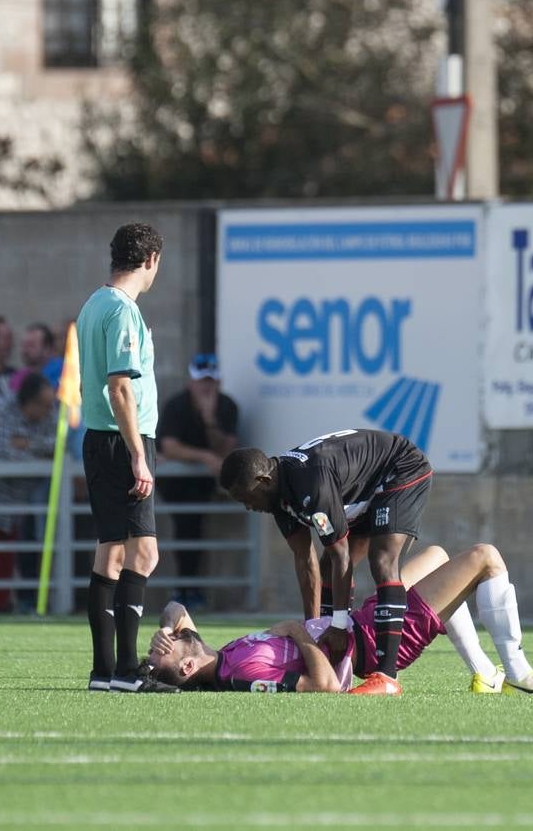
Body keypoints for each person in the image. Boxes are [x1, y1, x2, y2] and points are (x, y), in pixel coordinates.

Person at [146, 543, 533, 696]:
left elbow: (175, 610)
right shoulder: (238, 673)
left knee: (437, 557)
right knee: (486, 558)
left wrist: (167, 628)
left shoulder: (217, 654)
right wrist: (297, 630)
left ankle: (484, 674)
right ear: (187, 666)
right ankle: (518, 674)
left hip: (360, 622)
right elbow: (324, 686)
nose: (160, 644)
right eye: (162, 652)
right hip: (373, 643)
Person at [221, 429, 471, 696]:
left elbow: (343, 555)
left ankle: (387, 676)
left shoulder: (310, 485)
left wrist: (339, 625)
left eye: (245, 497)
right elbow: (305, 561)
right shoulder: (279, 495)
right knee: (326, 565)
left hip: (400, 466)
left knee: (383, 560)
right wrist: (312, 630)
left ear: (263, 480)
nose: (247, 506)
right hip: (364, 486)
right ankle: (334, 651)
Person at [77, 222, 165, 693]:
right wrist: (138, 455)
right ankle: (129, 671)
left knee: (110, 554)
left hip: (97, 439)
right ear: (150, 260)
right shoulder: (123, 311)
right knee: (144, 553)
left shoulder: (93, 304)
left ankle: (104, 671)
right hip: (121, 441)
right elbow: (119, 386)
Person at [0, 373, 57, 613]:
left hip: (16, 496)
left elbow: (58, 443)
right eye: (44, 406)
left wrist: (27, 443)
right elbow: (2, 455)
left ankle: (0, 601)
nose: (49, 411)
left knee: (7, 547)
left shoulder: (49, 413)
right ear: (29, 403)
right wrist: (39, 452)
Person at [156, 353, 240, 609]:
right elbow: (169, 446)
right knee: (186, 527)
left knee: (194, 529)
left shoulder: (227, 406)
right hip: (176, 484)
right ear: (191, 382)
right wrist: (203, 456)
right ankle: (184, 589)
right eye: (201, 381)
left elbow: (226, 447)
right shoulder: (177, 405)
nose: (206, 387)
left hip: (203, 485)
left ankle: (191, 589)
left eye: (210, 382)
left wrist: (210, 421)